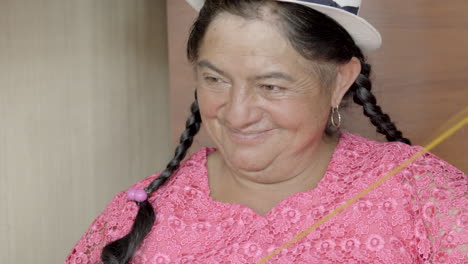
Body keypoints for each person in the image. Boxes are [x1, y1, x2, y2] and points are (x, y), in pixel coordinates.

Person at [65, 0, 467, 263]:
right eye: (215, 79)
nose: (237, 115)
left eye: (271, 86)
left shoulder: (424, 195)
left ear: (340, 80)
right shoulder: (135, 214)